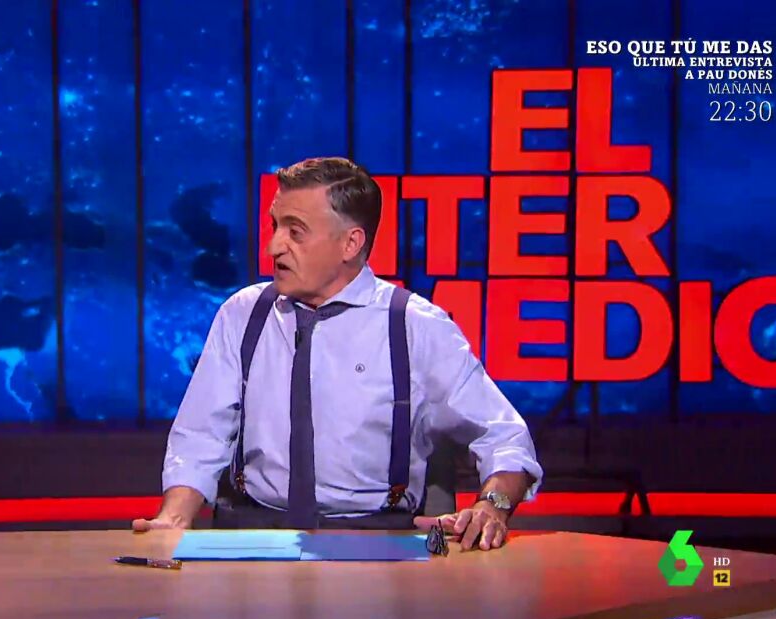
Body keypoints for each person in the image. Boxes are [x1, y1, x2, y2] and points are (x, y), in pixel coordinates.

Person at [133, 157, 542, 551]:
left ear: (350, 243)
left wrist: (493, 506)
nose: (274, 246)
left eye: (295, 232)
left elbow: (504, 437)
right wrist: (175, 517)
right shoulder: (242, 315)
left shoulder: (416, 325)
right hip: (257, 535)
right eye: (275, 226)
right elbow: (201, 434)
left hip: (380, 544)